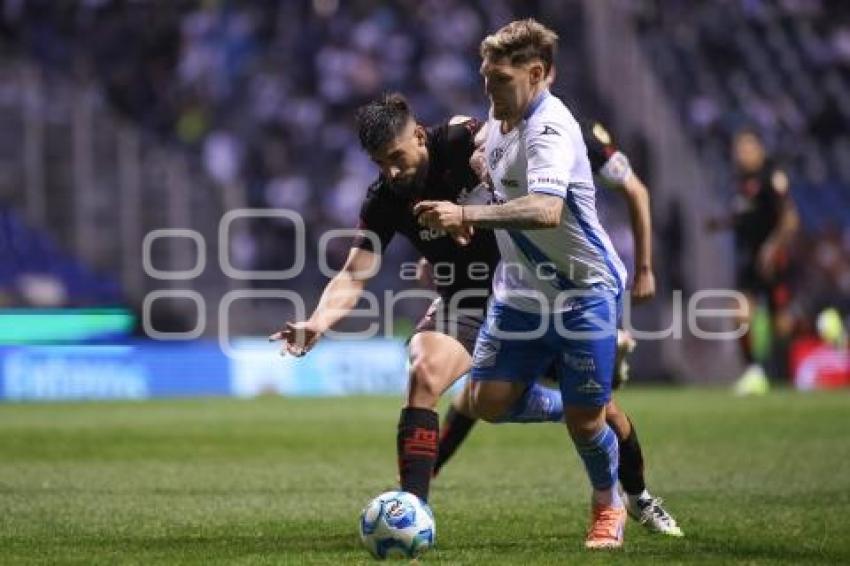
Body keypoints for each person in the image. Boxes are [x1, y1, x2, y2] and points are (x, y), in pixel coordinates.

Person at [415, 18, 631, 549]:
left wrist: (464, 215)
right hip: (521, 295)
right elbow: (496, 156)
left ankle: (608, 504)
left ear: (536, 75)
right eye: (485, 79)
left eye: (500, 81)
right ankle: (584, 403)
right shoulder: (502, 112)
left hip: (584, 291)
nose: (489, 91)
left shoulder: (552, 128)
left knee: (586, 428)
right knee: (485, 402)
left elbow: (546, 210)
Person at [433, 117, 682, 537]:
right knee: (479, 398)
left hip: (574, 291)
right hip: (512, 290)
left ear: (540, 73)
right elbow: (470, 202)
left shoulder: (575, 135)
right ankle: (417, 485)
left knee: (597, 413)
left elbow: (634, 189)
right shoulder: (484, 135)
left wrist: (644, 268)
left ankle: (636, 498)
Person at [707, 129, 799, 395]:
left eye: (746, 148)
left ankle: (820, 334)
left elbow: (791, 219)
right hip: (749, 259)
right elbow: (745, 215)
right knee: (739, 313)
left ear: (759, 149)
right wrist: (721, 224)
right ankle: (753, 372)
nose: (741, 154)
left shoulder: (772, 177)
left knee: (781, 326)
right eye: (738, 149)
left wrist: (772, 247)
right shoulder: (740, 181)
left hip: (773, 261)